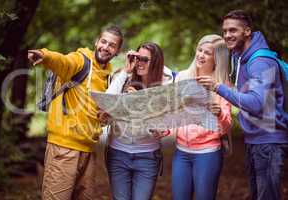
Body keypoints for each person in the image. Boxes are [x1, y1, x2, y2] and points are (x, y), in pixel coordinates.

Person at [197, 10, 288, 200]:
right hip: (256, 139)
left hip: (269, 141)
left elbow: (256, 103)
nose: (227, 35)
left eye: (233, 30)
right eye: (225, 31)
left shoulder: (260, 61)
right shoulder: (239, 57)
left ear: (247, 31)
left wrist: (217, 87)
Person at [27, 26, 123, 200]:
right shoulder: (80, 61)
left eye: (112, 45)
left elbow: (96, 113)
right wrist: (45, 55)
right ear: (96, 42)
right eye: (103, 41)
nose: (106, 47)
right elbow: (63, 61)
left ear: (117, 51)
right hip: (64, 148)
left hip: (88, 151)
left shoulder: (107, 77)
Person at [101, 42, 174, 200]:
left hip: (147, 156)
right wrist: (125, 71)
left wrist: (140, 100)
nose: (139, 63)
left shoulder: (165, 83)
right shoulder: (123, 78)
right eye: (137, 58)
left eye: (145, 59)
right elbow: (106, 102)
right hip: (118, 154)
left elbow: (164, 120)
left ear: (156, 62)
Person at [171, 34, 232, 200]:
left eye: (207, 53)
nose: (201, 55)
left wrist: (218, 112)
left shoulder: (221, 85)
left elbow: (226, 126)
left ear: (217, 59)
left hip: (208, 152)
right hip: (181, 152)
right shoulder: (183, 77)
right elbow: (172, 114)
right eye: (200, 50)